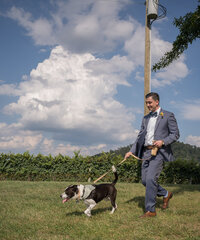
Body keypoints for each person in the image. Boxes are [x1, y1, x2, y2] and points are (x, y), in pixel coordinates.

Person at [125, 92, 180, 218]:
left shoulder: (168, 115)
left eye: (150, 102)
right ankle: (166, 194)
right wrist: (131, 151)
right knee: (145, 181)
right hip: (145, 152)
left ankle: (151, 210)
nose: (148, 105)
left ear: (157, 102)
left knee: (150, 179)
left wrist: (163, 141)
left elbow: (175, 134)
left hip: (159, 152)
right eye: (146, 103)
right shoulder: (145, 118)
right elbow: (139, 137)